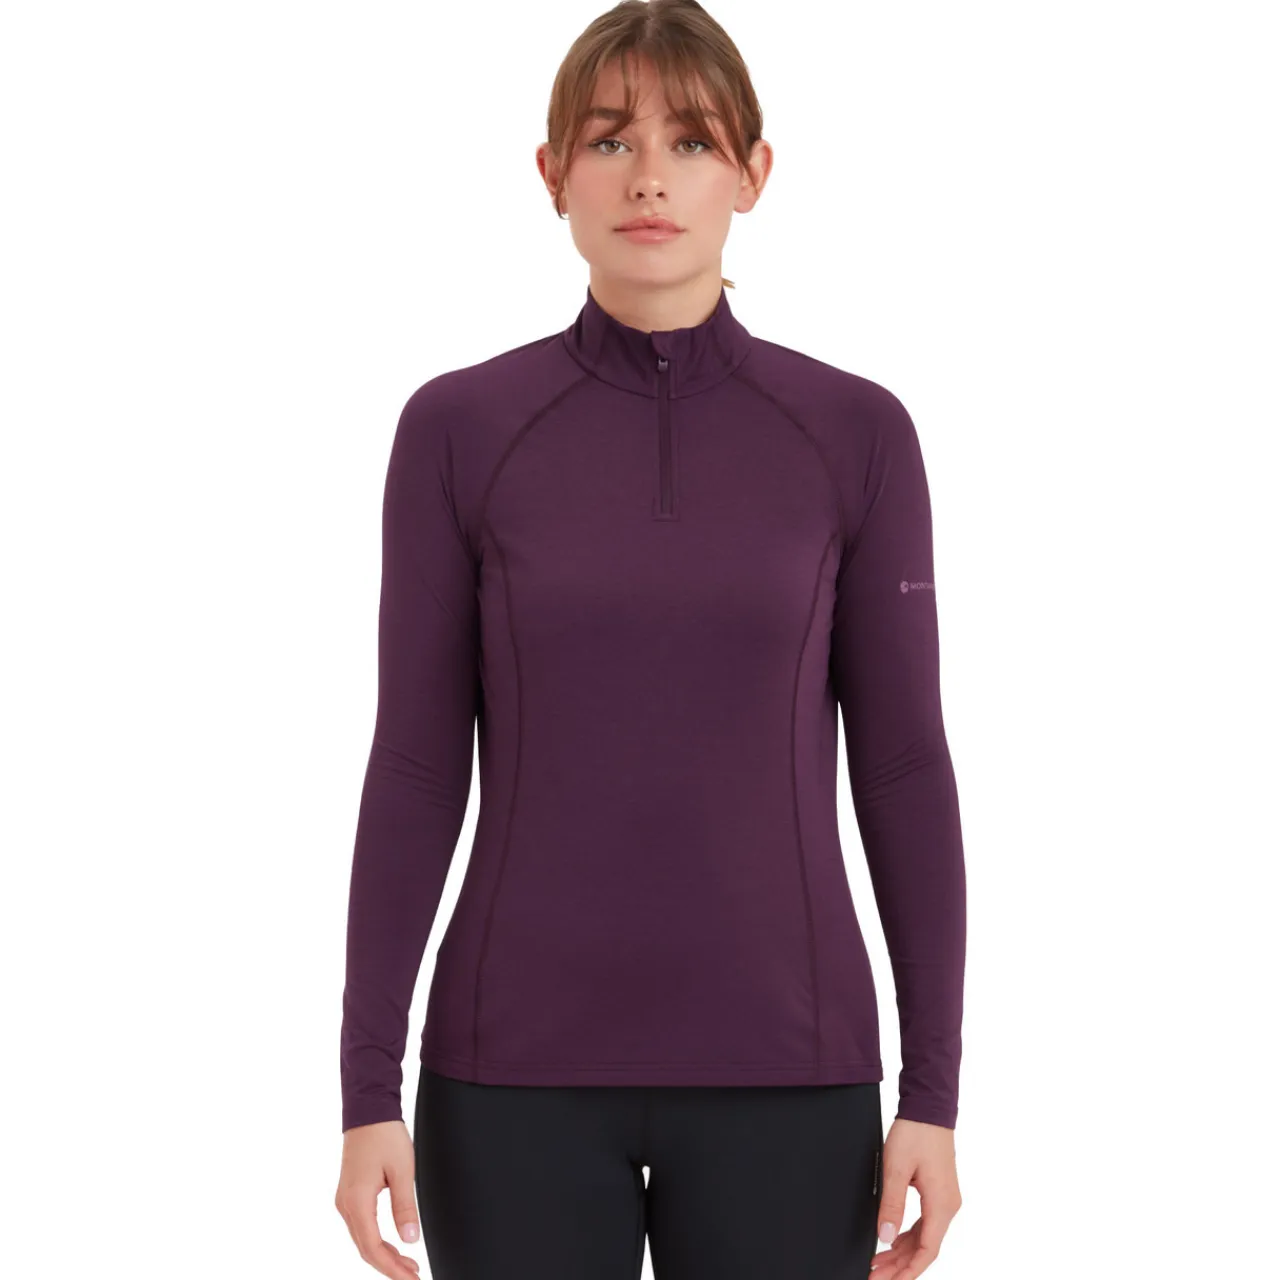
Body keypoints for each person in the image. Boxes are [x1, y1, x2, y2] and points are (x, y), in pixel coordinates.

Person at [334, 3, 967, 1278]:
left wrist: (933, 1091)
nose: (647, 179)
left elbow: (902, 766)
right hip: (506, 1074)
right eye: (609, 140)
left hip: (789, 1072)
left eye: (689, 142)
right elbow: (414, 765)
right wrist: (366, 1089)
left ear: (751, 172)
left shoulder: (854, 434)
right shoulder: (459, 428)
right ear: (551, 171)